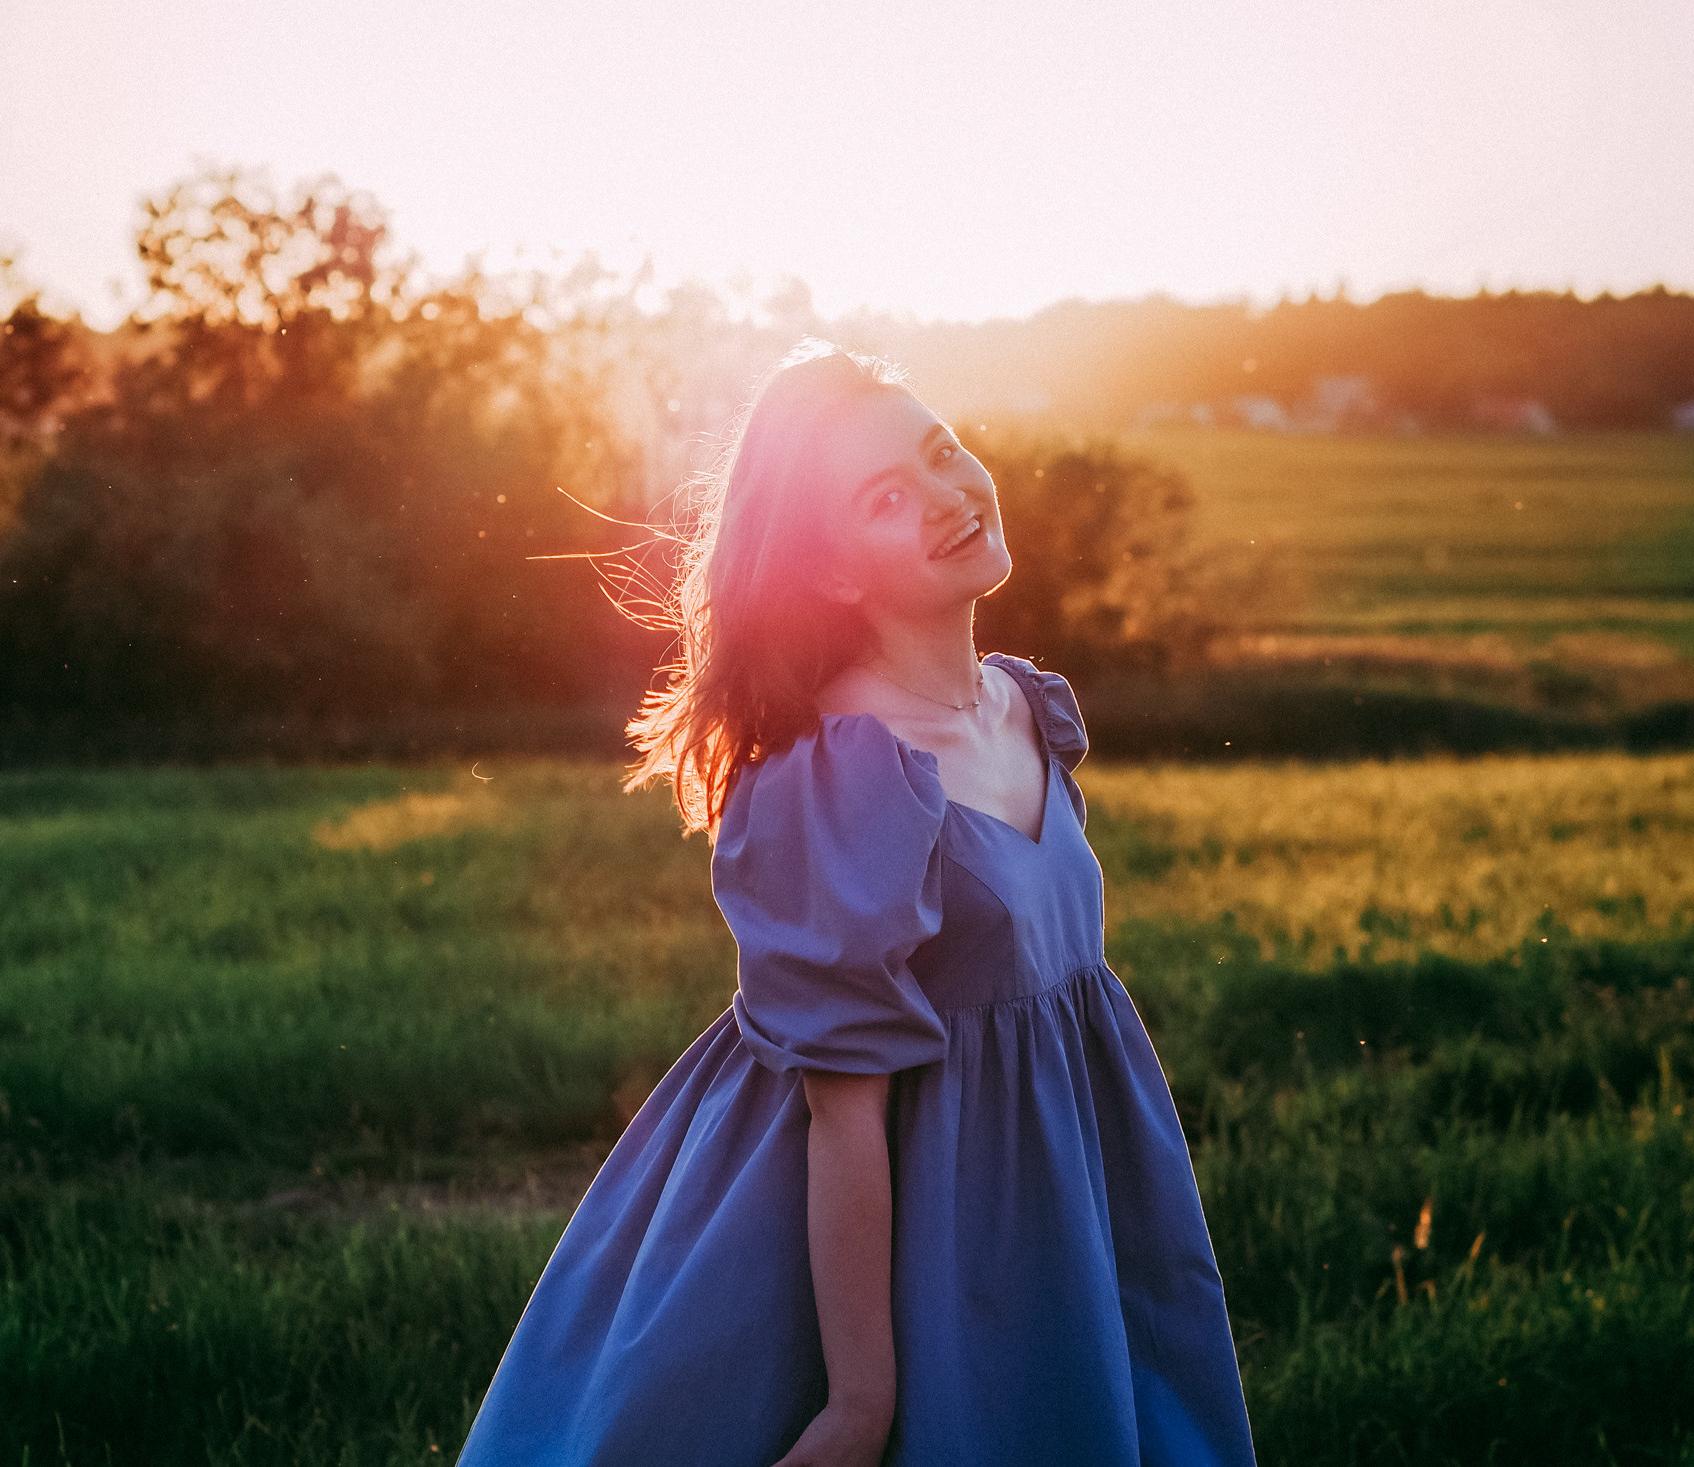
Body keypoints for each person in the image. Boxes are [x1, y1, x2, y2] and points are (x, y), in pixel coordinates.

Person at [456, 340, 1254, 1466]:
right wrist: (861, 1398)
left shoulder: (1022, 709)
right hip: (891, 1208)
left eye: (942, 453)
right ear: (831, 573)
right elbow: (843, 1116)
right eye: (886, 499)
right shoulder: (839, 780)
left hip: (1058, 1176)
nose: (946, 496)